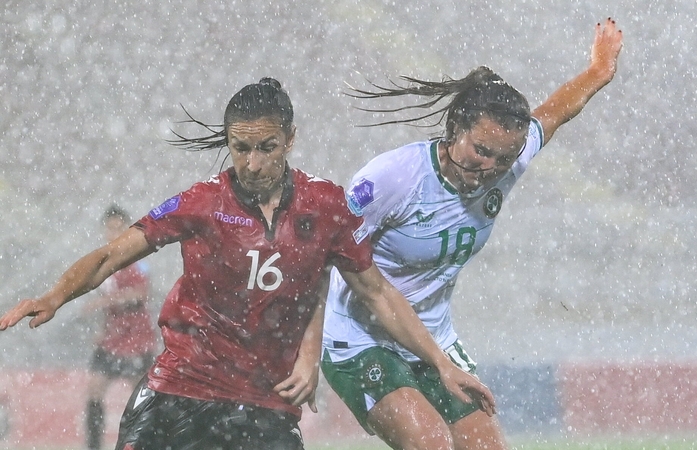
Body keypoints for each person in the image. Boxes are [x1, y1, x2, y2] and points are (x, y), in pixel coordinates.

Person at [0, 77, 495, 450]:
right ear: (227, 143)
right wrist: (55, 295)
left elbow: (375, 292)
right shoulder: (200, 204)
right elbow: (113, 253)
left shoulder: (326, 210)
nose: (253, 164)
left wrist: (440, 363)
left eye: (266, 148)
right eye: (240, 149)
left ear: (290, 139)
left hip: (263, 404)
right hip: (180, 390)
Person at [321, 18, 624, 450]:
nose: (491, 169)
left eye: (505, 158)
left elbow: (555, 113)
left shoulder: (506, 163)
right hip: (361, 339)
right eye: (481, 151)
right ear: (454, 131)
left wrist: (598, 72)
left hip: (435, 339)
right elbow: (350, 274)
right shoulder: (391, 180)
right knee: (432, 445)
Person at [81, 204, 157, 450]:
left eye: (118, 228)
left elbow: (140, 293)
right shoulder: (104, 261)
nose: (113, 233)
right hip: (112, 340)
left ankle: (143, 442)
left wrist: (103, 301)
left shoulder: (137, 258)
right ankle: (93, 445)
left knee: (142, 397)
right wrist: (102, 328)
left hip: (137, 339)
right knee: (93, 390)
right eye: (110, 228)